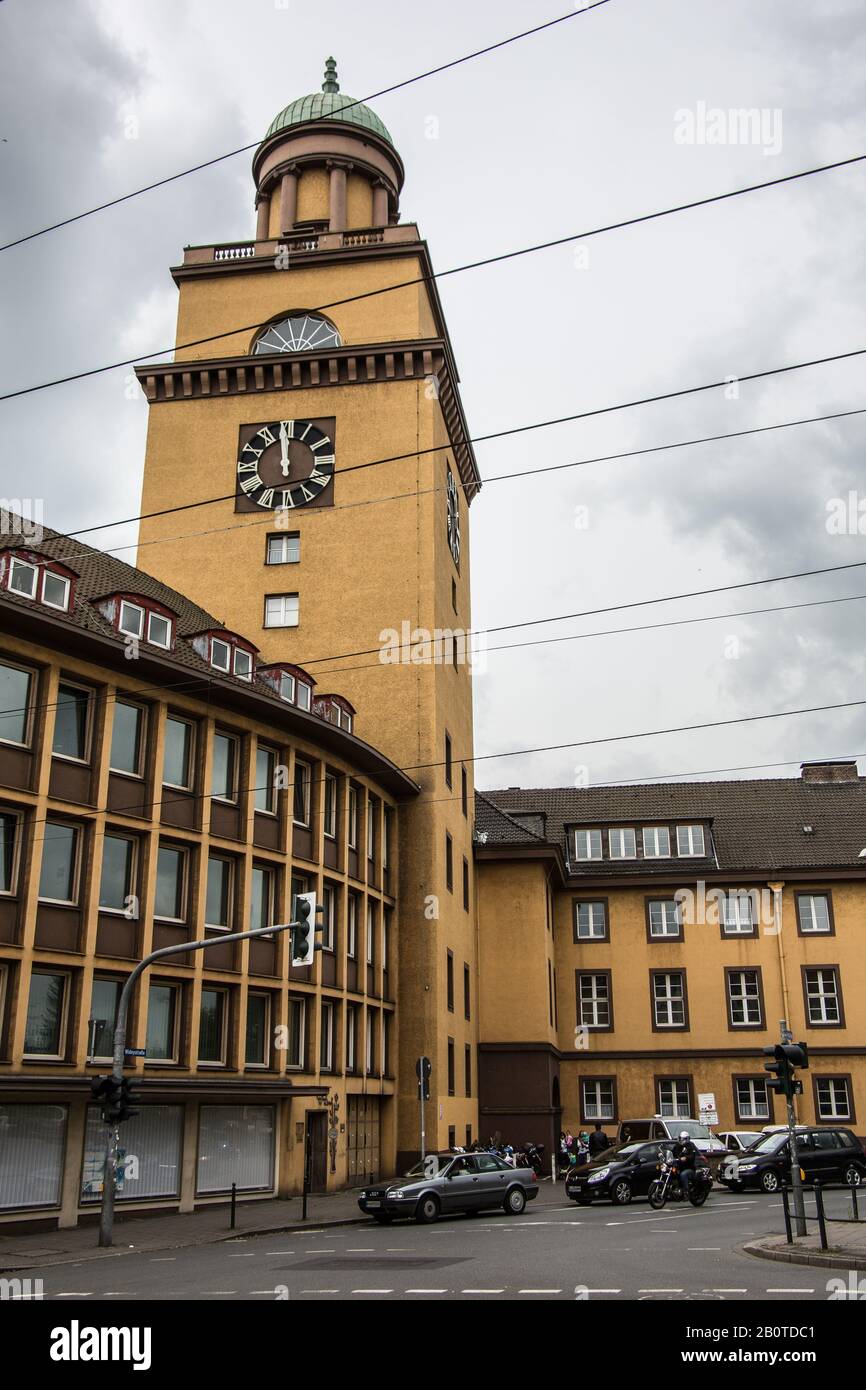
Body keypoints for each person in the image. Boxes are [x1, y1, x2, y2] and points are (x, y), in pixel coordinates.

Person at [673, 1129, 698, 1199]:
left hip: (689, 1168)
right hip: (679, 1167)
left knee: (683, 1175)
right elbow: (673, 1153)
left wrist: (686, 1158)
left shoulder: (690, 1146)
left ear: (686, 1139)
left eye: (682, 1139)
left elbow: (692, 1156)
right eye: (680, 1138)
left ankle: (686, 1192)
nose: (680, 1140)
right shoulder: (677, 1146)